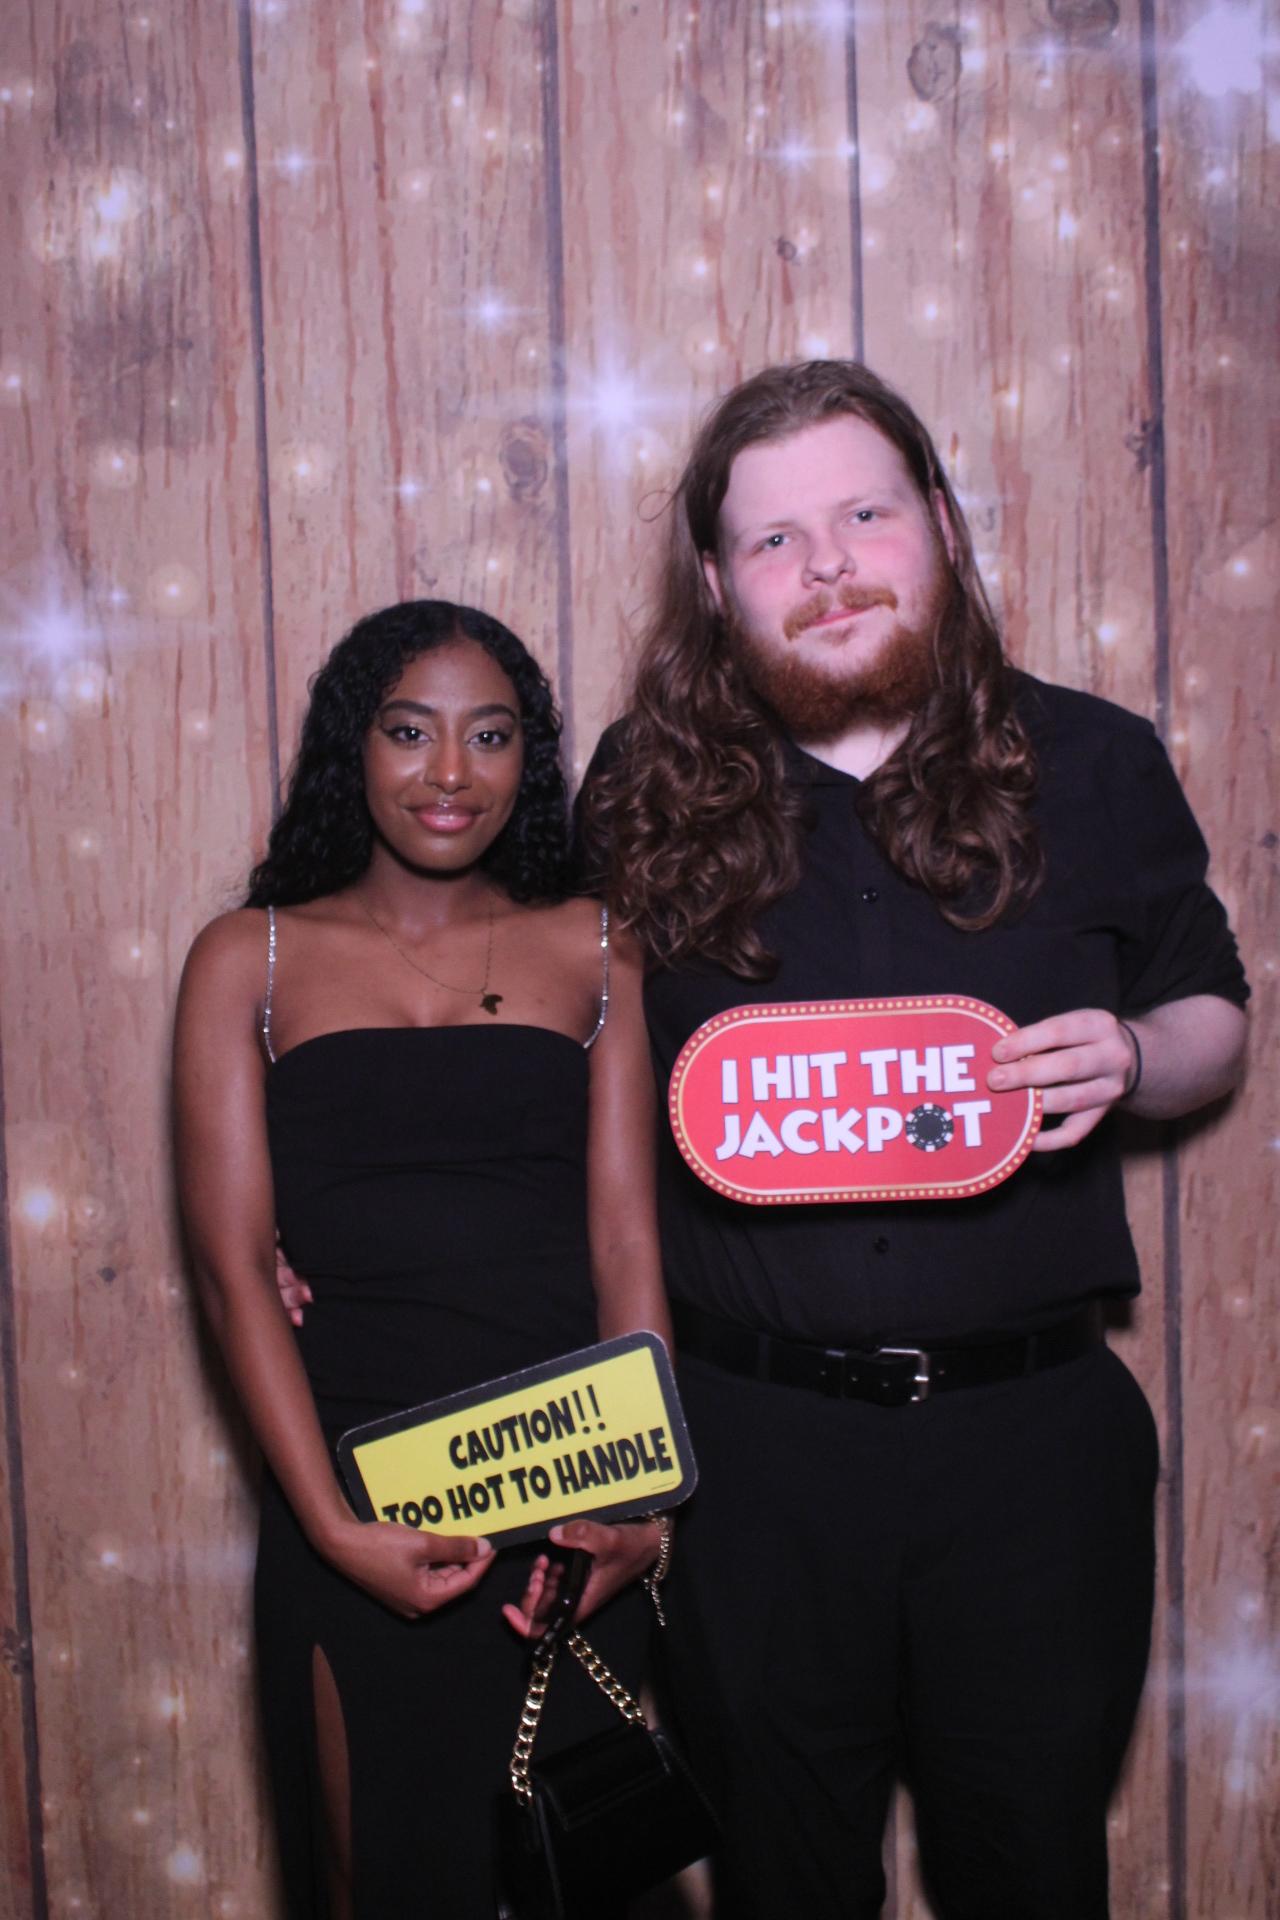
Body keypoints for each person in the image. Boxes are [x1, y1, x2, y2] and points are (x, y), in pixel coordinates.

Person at [579, 361, 1249, 1920]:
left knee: (1031, 1874)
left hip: (1034, 1452)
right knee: (781, 1884)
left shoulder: (1094, 760)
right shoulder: (637, 792)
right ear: (715, 583)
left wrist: (1138, 1055)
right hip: (749, 1460)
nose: (828, 568)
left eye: (865, 516)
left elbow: (1211, 1009)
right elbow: (533, 1055)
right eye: (775, 540)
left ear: (940, 524)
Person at [173, 600, 670, 1920]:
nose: (451, 773)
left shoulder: (598, 945)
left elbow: (627, 1240)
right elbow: (234, 1270)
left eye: (490, 737)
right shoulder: (248, 957)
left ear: (529, 760)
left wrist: (646, 1503)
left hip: (569, 1504)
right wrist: (334, 1529)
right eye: (410, 732)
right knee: (386, 1883)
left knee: (585, 1887)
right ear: (356, 745)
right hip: (357, 1500)